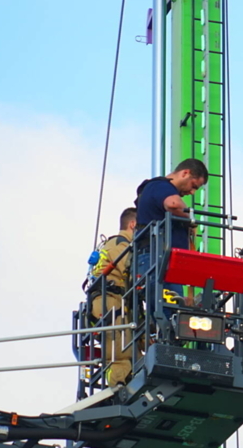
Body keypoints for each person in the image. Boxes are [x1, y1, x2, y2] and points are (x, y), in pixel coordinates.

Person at [134, 158, 208, 312]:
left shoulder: (157, 189)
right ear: (185, 173)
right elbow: (173, 204)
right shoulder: (160, 186)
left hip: (162, 261)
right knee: (170, 314)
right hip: (158, 259)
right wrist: (190, 220)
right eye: (193, 186)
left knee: (169, 314)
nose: (192, 192)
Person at [89, 207, 137, 385]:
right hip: (109, 299)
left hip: (111, 300)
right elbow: (130, 269)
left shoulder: (112, 244)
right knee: (120, 349)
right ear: (132, 225)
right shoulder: (119, 244)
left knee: (131, 349)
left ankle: (124, 380)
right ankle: (117, 387)